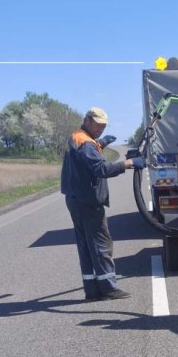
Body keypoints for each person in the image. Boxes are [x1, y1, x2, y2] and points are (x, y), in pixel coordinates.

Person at [61, 107, 136, 301]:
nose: (100, 129)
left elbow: (87, 154)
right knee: (101, 244)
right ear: (87, 120)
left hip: (75, 198)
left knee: (86, 245)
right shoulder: (86, 144)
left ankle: (92, 290)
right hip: (88, 201)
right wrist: (125, 164)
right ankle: (109, 288)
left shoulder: (77, 138)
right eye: (98, 125)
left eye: (103, 127)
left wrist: (100, 142)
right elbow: (100, 168)